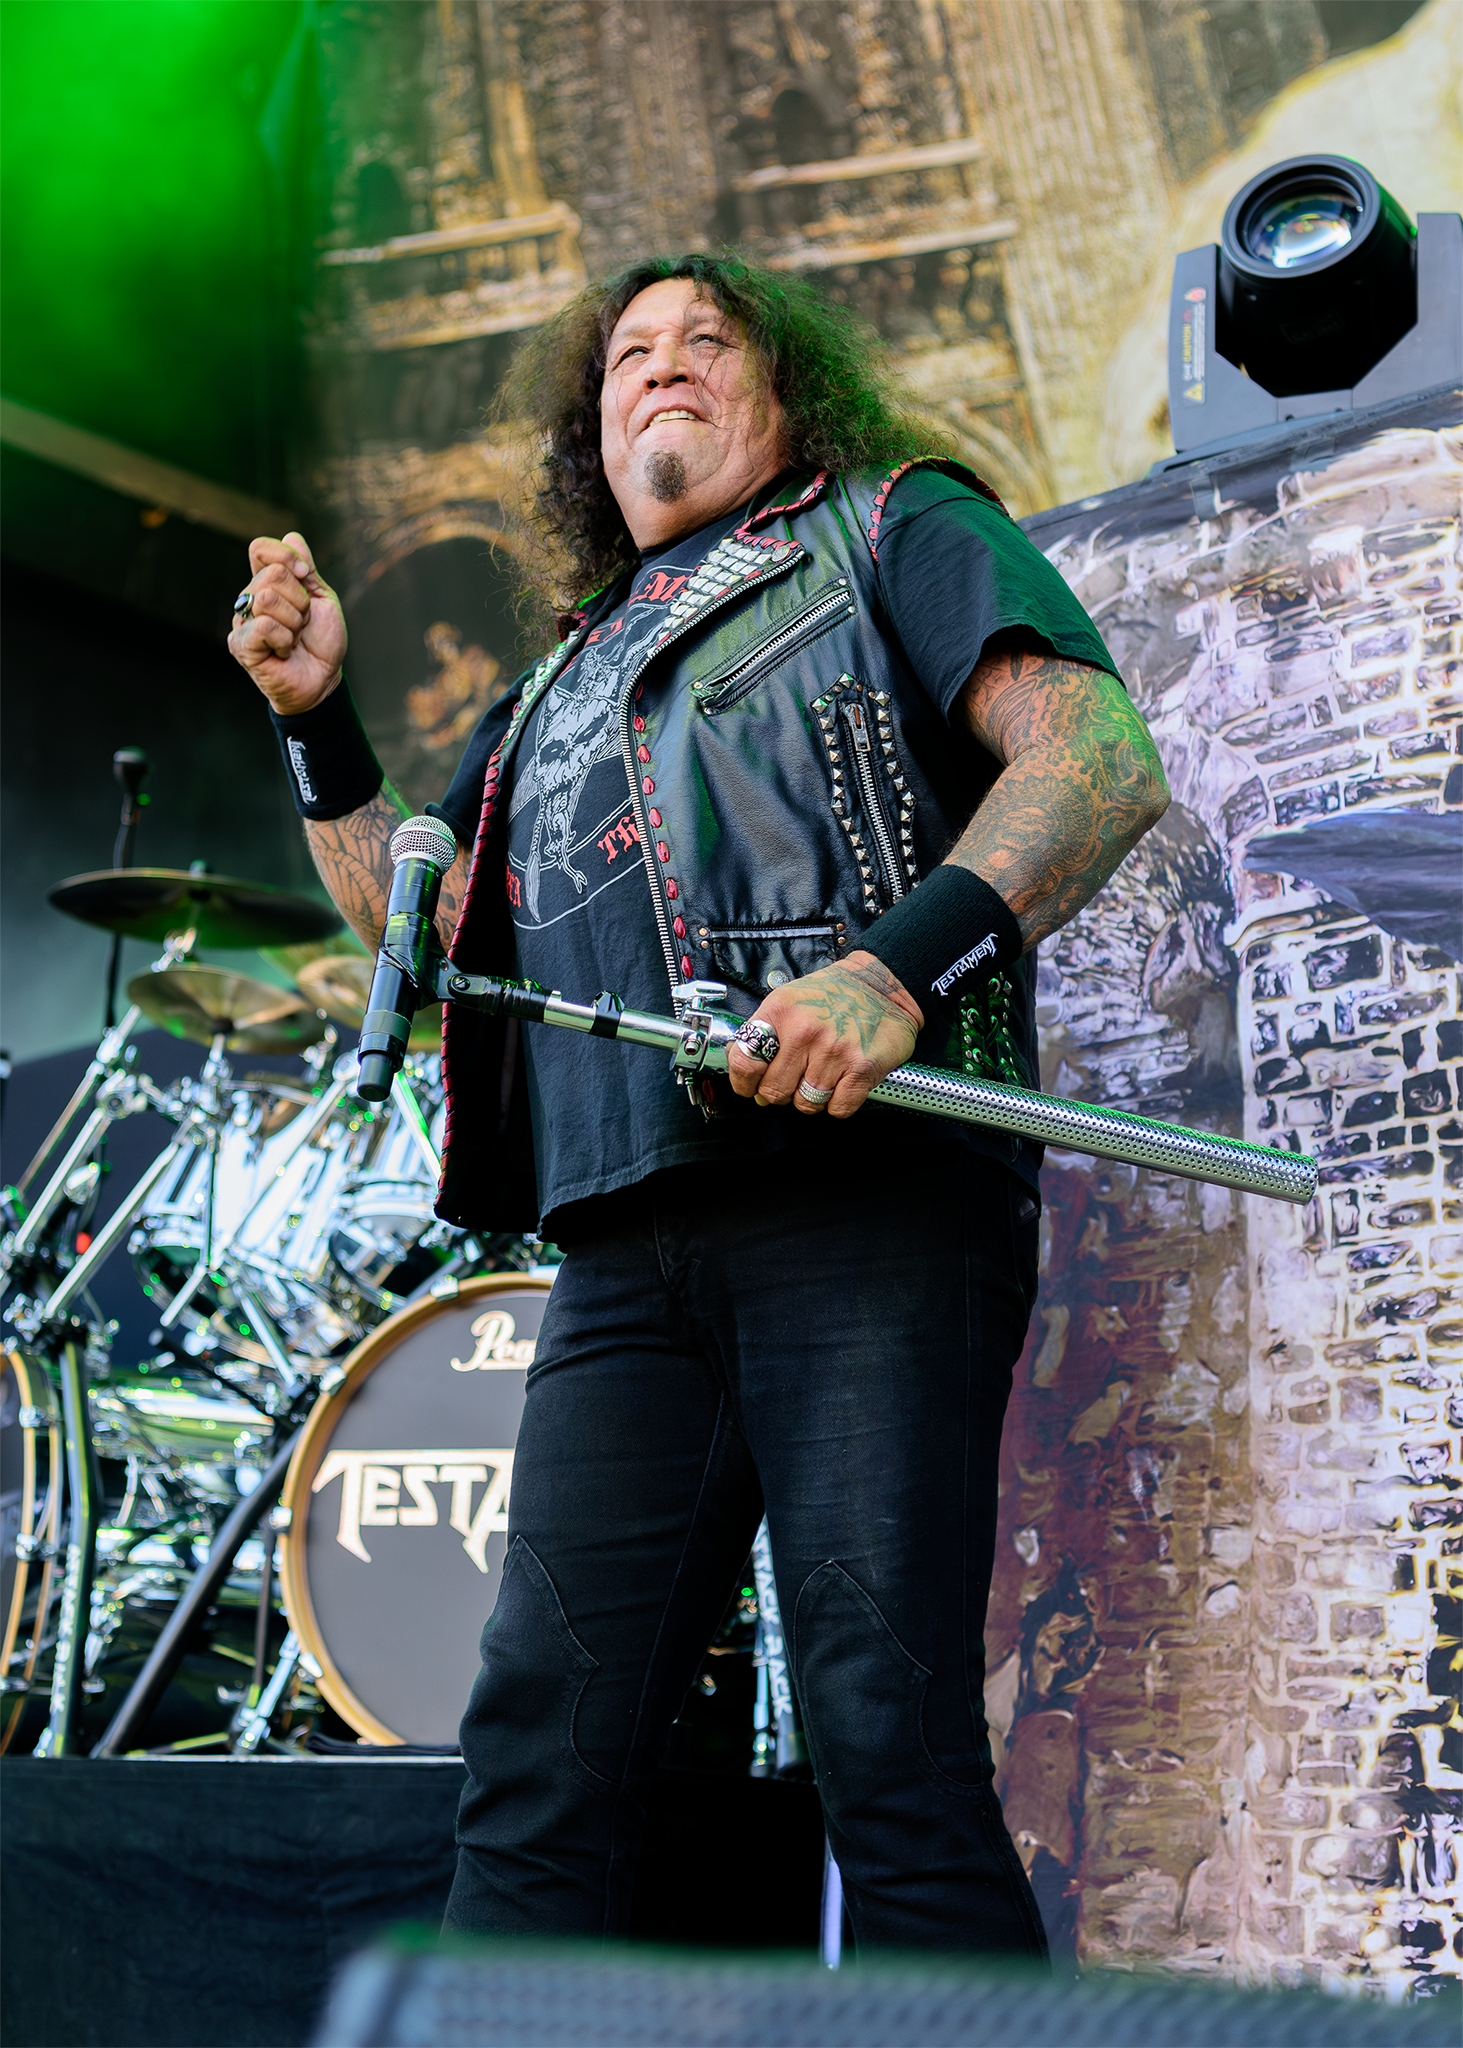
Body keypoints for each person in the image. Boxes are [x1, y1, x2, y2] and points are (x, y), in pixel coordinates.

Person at [228, 254, 1169, 1958]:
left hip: (865, 1198)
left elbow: (1096, 758)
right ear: (590, 433)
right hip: (617, 1240)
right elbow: (421, 936)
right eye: (626, 356)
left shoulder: (892, 524)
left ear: (782, 393)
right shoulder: (554, 685)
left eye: (704, 340)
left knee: (885, 1742)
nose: (660, 365)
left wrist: (891, 973)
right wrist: (317, 730)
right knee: (537, 1750)